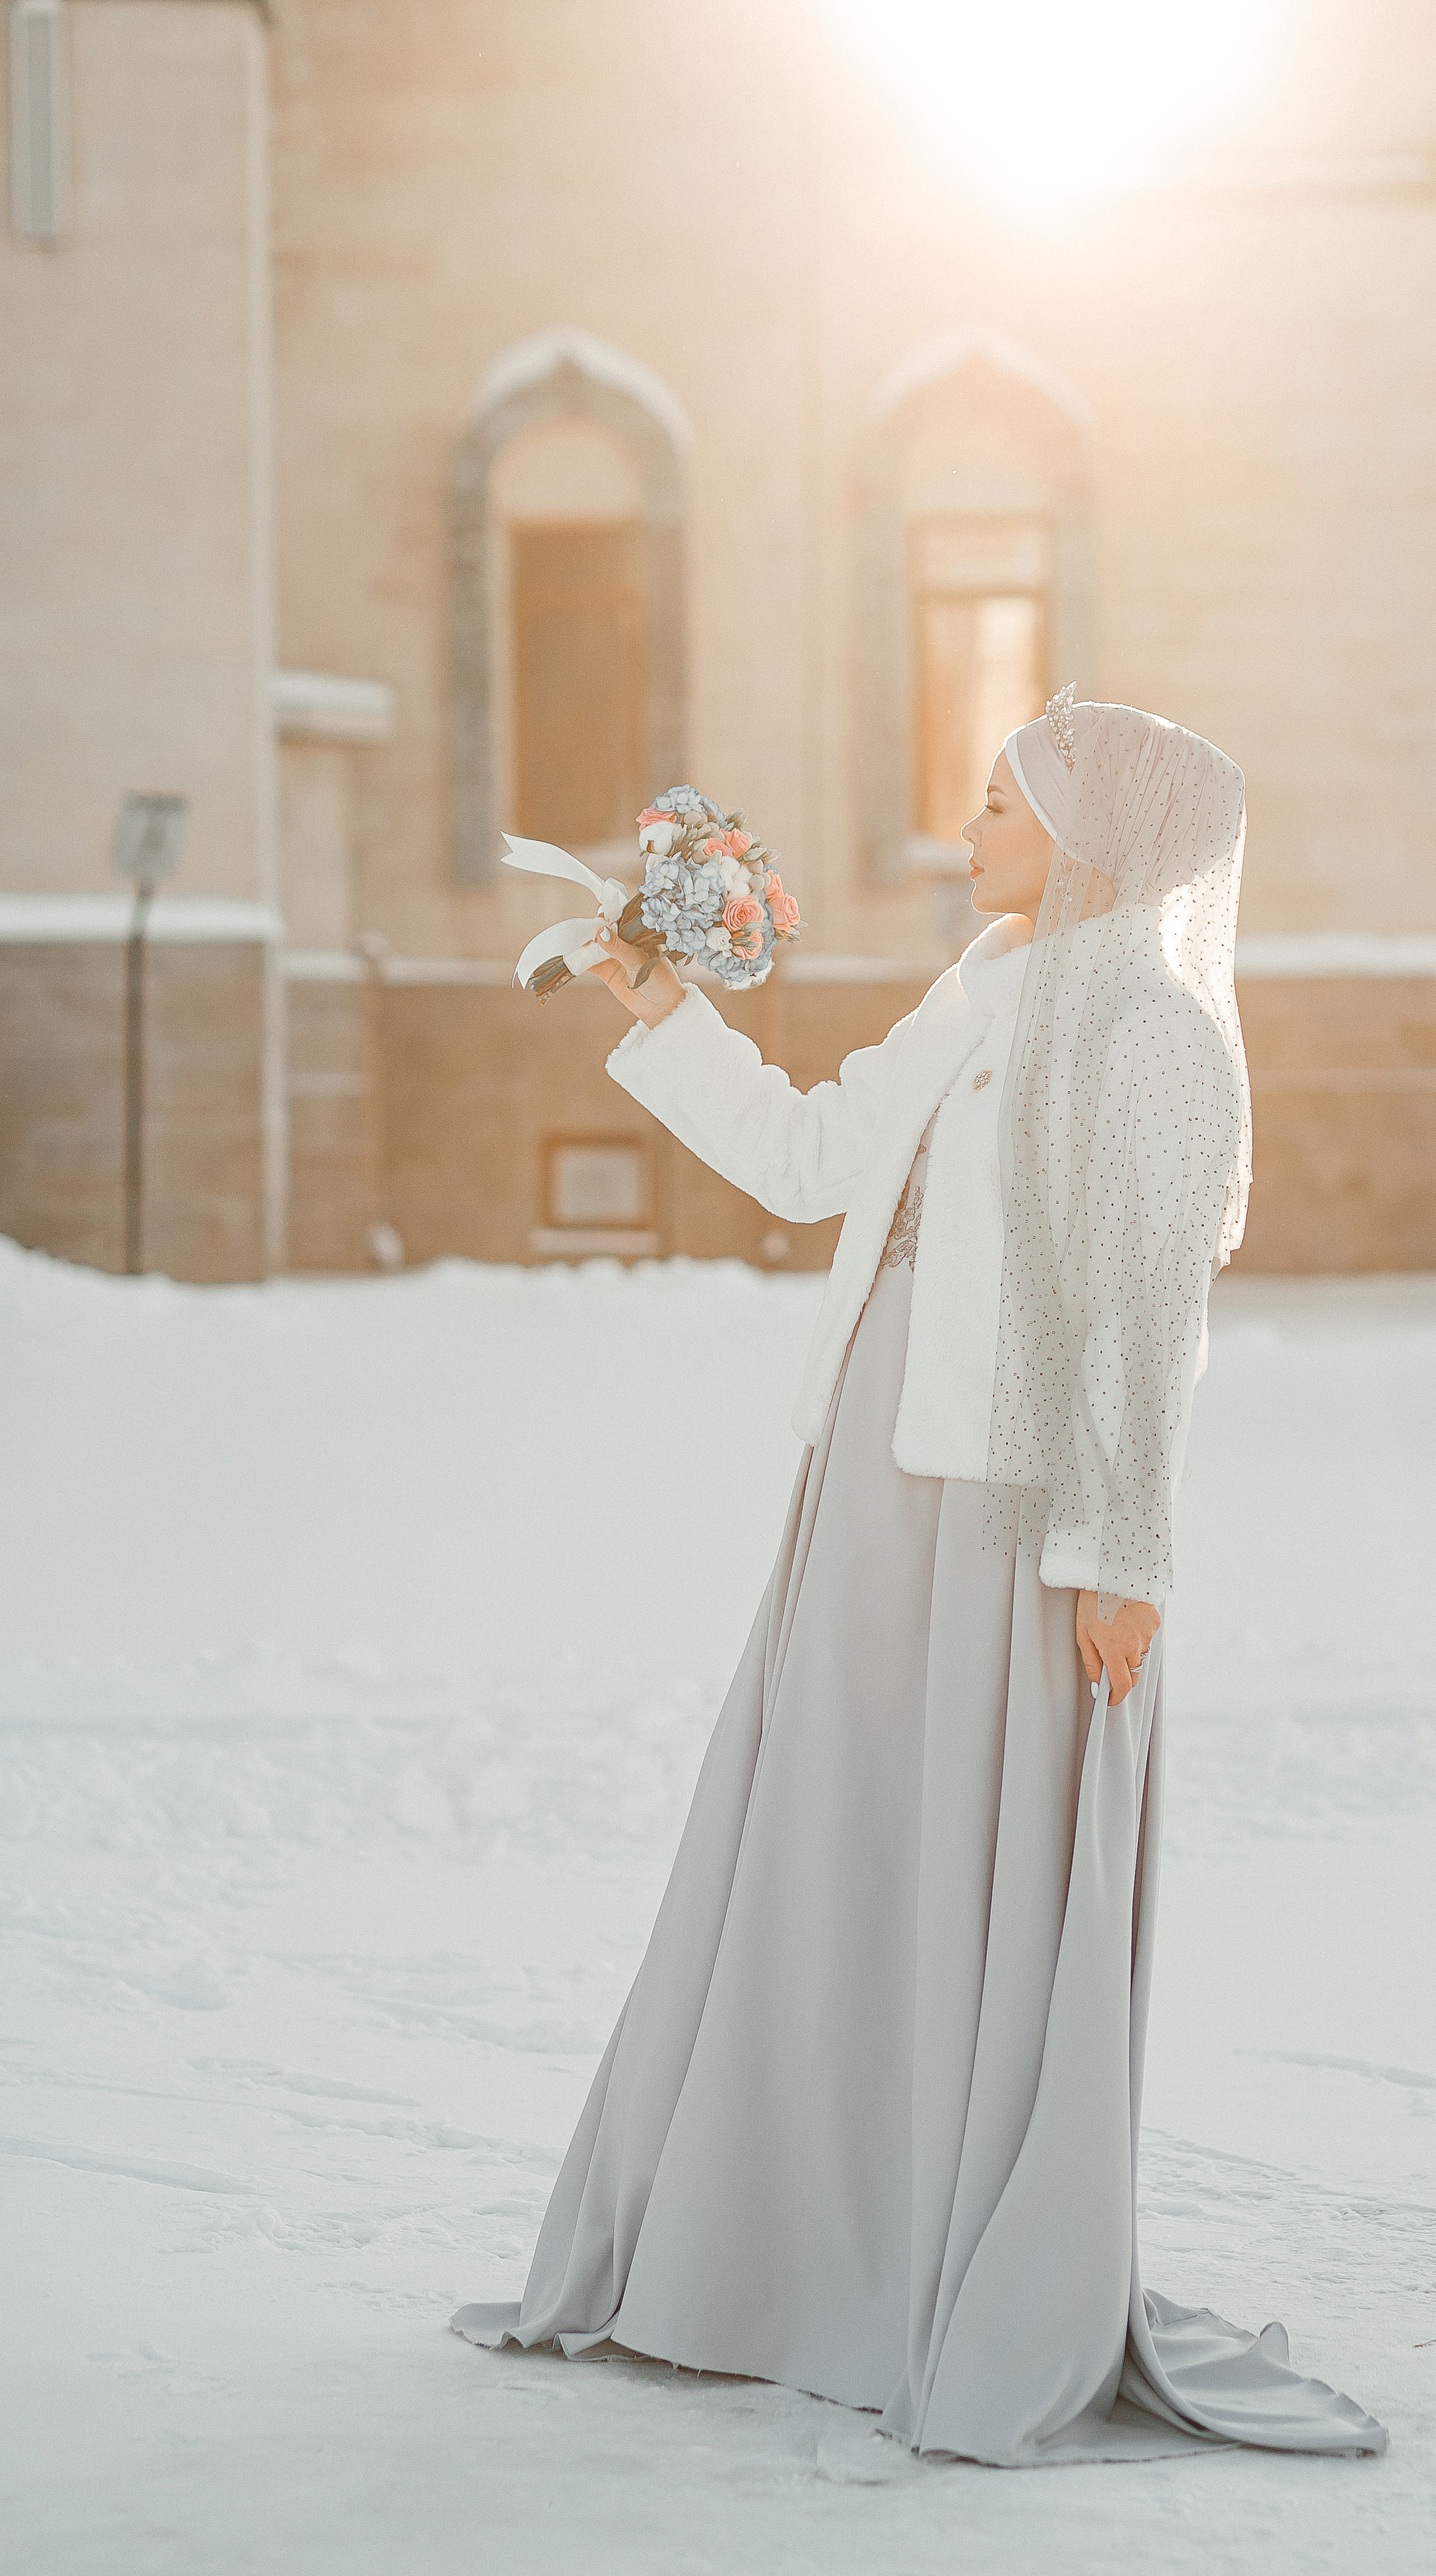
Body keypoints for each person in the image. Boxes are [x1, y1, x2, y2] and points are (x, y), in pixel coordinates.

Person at [453, 694, 1387, 2465]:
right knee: (832, 1843)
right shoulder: (983, 985)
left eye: (998, 806)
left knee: (962, 1864)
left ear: (1094, 837)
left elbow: (1142, 1327)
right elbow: (816, 1161)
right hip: (865, 1477)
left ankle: (934, 2263)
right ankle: (778, 2255)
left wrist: (1122, 1564)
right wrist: (669, 1012)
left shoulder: (1155, 1036)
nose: (968, 834)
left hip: (1013, 1513)